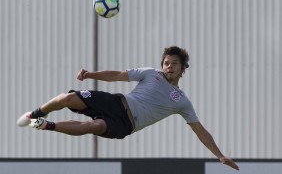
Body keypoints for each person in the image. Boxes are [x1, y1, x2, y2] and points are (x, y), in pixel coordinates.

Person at [17, 46, 239, 170]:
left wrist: (219, 155)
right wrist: (91, 74)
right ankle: (35, 114)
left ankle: (45, 125)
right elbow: (117, 75)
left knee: (92, 126)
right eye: (166, 62)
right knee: (68, 98)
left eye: (174, 63)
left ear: (183, 69)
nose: (169, 66)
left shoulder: (181, 100)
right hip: (116, 102)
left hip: (126, 124)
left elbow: (200, 130)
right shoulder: (151, 73)